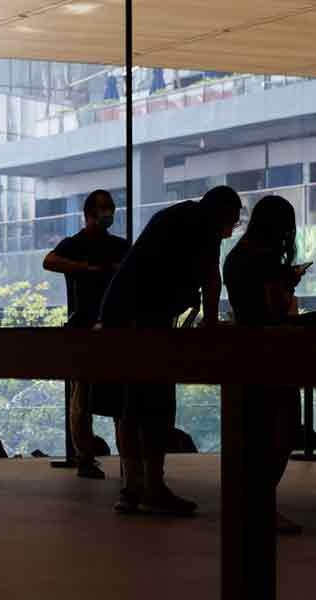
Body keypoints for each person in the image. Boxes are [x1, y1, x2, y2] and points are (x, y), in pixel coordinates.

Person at [100, 185, 241, 516]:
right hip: (144, 318)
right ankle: (151, 488)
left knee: (130, 403)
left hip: (120, 315)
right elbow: (211, 279)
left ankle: (133, 488)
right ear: (220, 215)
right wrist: (210, 323)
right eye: (231, 223)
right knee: (157, 401)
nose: (230, 231)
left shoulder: (177, 216)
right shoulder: (203, 227)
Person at [223, 195, 305, 534]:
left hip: (244, 352)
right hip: (272, 354)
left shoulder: (235, 257)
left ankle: (251, 504)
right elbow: (275, 310)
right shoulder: (267, 260)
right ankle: (263, 506)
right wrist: (288, 284)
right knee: (282, 431)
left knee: (255, 434)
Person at [44, 189, 129, 479]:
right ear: (89, 213)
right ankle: (87, 457)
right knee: (84, 395)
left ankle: (105, 458)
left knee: (105, 396)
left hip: (109, 327)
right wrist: (85, 268)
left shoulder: (116, 245)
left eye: (110, 207)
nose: (109, 213)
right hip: (85, 326)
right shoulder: (77, 244)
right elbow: (49, 260)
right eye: (104, 208)